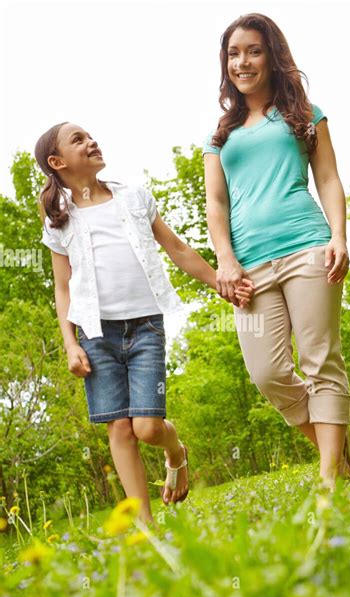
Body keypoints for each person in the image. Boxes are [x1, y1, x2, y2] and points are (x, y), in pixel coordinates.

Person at [35, 121, 255, 526]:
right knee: (119, 429)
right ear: (57, 161)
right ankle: (146, 528)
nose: (92, 140)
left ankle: (176, 451)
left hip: (145, 328)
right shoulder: (59, 219)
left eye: (90, 134)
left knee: (148, 428)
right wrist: (70, 343)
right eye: (78, 139)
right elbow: (62, 288)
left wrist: (220, 283)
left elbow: (177, 248)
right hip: (96, 333)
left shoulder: (133, 197)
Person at [202, 13, 350, 490]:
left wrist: (339, 237)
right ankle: (339, 457)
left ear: (271, 55)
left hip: (308, 247)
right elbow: (216, 203)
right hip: (249, 267)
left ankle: (330, 479)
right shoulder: (220, 135)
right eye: (233, 53)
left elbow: (328, 179)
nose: (242, 61)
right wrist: (225, 261)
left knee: (319, 358)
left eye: (253, 50)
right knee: (267, 372)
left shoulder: (305, 113)